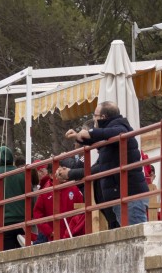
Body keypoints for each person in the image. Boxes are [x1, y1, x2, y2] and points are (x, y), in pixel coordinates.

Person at [58, 101, 148, 229]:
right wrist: (79, 137)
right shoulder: (109, 140)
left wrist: (91, 133)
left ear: (103, 118)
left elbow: (117, 132)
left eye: (95, 115)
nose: (93, 119)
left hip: (129, 195)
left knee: (138, 236)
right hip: (121, 196)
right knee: (131, 238)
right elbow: (99, 166)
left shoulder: (120, 127)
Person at [31, 158, 86, 244]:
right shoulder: (45, 192)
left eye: (63, 170)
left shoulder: (74, 189)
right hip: (54, 239)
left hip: (73, 236)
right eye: (58, 172)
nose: (62, 174)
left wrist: (75, 230)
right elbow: (38, 214)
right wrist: (50, 232)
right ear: (51, 175)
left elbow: (81, 211)